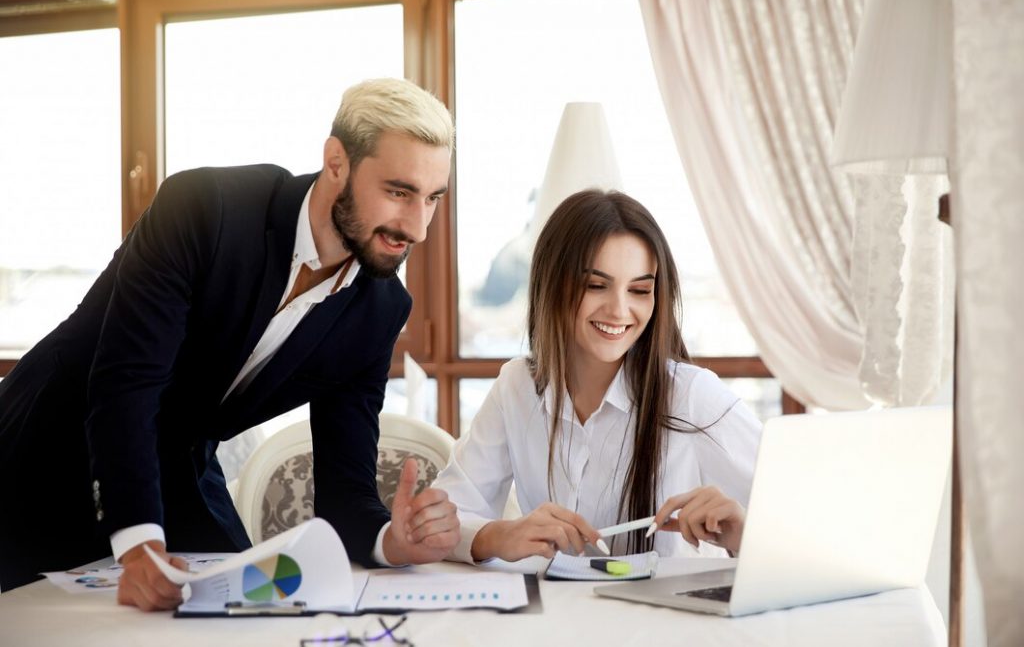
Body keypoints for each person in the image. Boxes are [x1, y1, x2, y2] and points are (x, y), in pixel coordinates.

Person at [0, 78, 461, 607]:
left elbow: (345, 486)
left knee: (254, 611)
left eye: (432, 199)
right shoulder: (205, 209)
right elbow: (127, 384)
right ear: (337, 161)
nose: (418, 227)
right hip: (44, 447)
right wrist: (138, 545)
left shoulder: (379, 309)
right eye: (399, 192)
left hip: (177, 467)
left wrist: (391, 541)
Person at [432, 190, 762, 563]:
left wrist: (742, 533)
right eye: (595, 285)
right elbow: (446, 518)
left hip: (665, 618)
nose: (620, 309)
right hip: (557, 616)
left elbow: (800, 524)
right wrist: (499, 536)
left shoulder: (691, 396)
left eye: (639, 290)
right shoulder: (517, 386)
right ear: (552, 284)